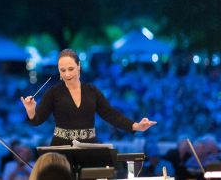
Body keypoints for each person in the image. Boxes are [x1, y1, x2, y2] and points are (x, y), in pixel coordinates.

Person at [21, 49, 157, 146]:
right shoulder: (53, 93)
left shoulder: (92, 91)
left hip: (89, 147)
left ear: (79, 67)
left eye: (71, 69)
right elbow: (37, 120)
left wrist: (136, 126)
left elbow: (110, 114)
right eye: (63, 70)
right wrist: (31, 110)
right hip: (61, 148)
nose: (67, 74)